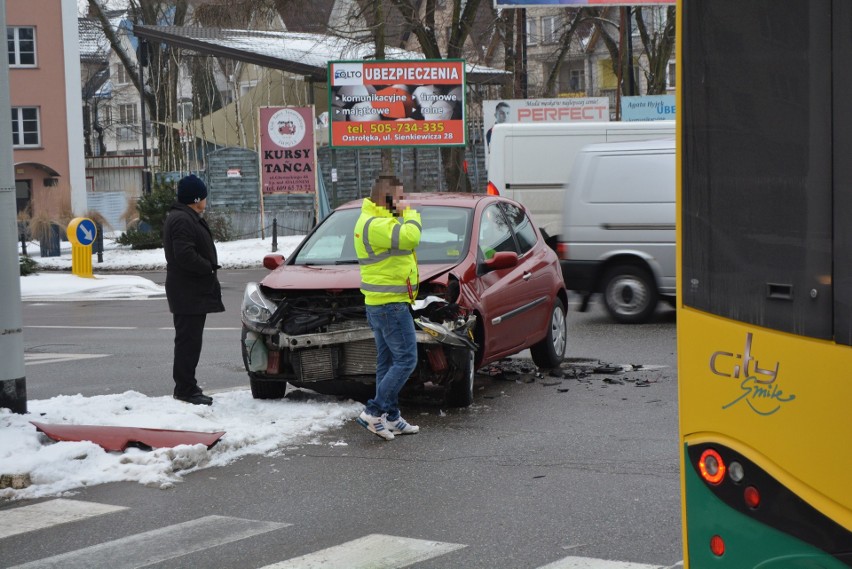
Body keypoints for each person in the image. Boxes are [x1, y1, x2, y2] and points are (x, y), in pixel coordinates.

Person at [353, 174, 422, 440]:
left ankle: (390, 417)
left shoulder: (376, 220)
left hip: (382, 304)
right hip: (390, 306)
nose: (404, 202)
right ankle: (374, 411)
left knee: (388, 361)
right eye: (400, 197)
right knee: (407, 360)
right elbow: (411, 237)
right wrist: (412, 213)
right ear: (386, 198)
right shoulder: (376, 224)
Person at [162, 174, 225, 405]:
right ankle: (186, 389)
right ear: (196, 198)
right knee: (188, 342)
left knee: (190, 341)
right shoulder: (182, 219)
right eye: (204, 196)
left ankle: (187, 386)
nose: (206, 201)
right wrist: (207, 268)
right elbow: (184, 254)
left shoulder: (186, 216)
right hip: (187, 291)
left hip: (191, 291)